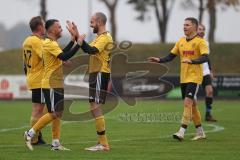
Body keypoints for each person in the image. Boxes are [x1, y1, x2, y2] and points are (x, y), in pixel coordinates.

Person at [24, 19, 82, 151]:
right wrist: (78, 44)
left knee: (58, 113)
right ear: (51, 30)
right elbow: (64, 55)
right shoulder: (48, 43)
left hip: (57, 83)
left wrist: (73, 40)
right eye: (59, 27)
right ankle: (30, 133)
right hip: (50, 83)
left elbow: (62, 53)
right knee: (53, 113)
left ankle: (55, 143)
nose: (61, 29)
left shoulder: (52, 43)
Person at [148, 17, 208, 141]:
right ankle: (200, 132)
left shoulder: (200, 42)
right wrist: (159, 60)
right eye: (184, 25)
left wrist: (192, 61)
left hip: (195, 78)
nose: (184, 27)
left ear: (195, 27)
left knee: (187, 103)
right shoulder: (181, 41)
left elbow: (205, 57)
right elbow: (170, 56)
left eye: (187, 25)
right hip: (184, 78)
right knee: (192, 105)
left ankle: (181, 132)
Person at [76, 12, 113, 151]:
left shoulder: (106, 38)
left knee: (95, 107)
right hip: (95, 74)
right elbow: (86, 47)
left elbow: (91, 50)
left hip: (100, 73)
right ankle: (101, 143)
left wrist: (79, 38)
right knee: (94, 107)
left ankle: (103, 144)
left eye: (92, 22)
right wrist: (76, 35)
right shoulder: (99, 37)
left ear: (99, 22)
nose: (90, 24)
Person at [22, 16, 46, 145]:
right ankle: (34, 138)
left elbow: (24, 64)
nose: (45, 27)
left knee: (40, 109)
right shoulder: (36, 41)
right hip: (40, 79)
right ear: (40, 27)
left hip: (33, 77)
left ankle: (37, 136)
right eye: (43, 24)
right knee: (38, 110)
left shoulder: (27, 40)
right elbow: (45, 56)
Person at [198, 24, 217, 122]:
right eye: (200, 29)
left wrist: (210, 70)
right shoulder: (191, 42)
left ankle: (208, 114)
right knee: (192, 97)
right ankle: (190, 115)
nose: (202, 31)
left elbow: (206, 57)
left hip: (205, 71)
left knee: (210, 91)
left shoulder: (206, 42)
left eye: (203, 29)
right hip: (195, 72)